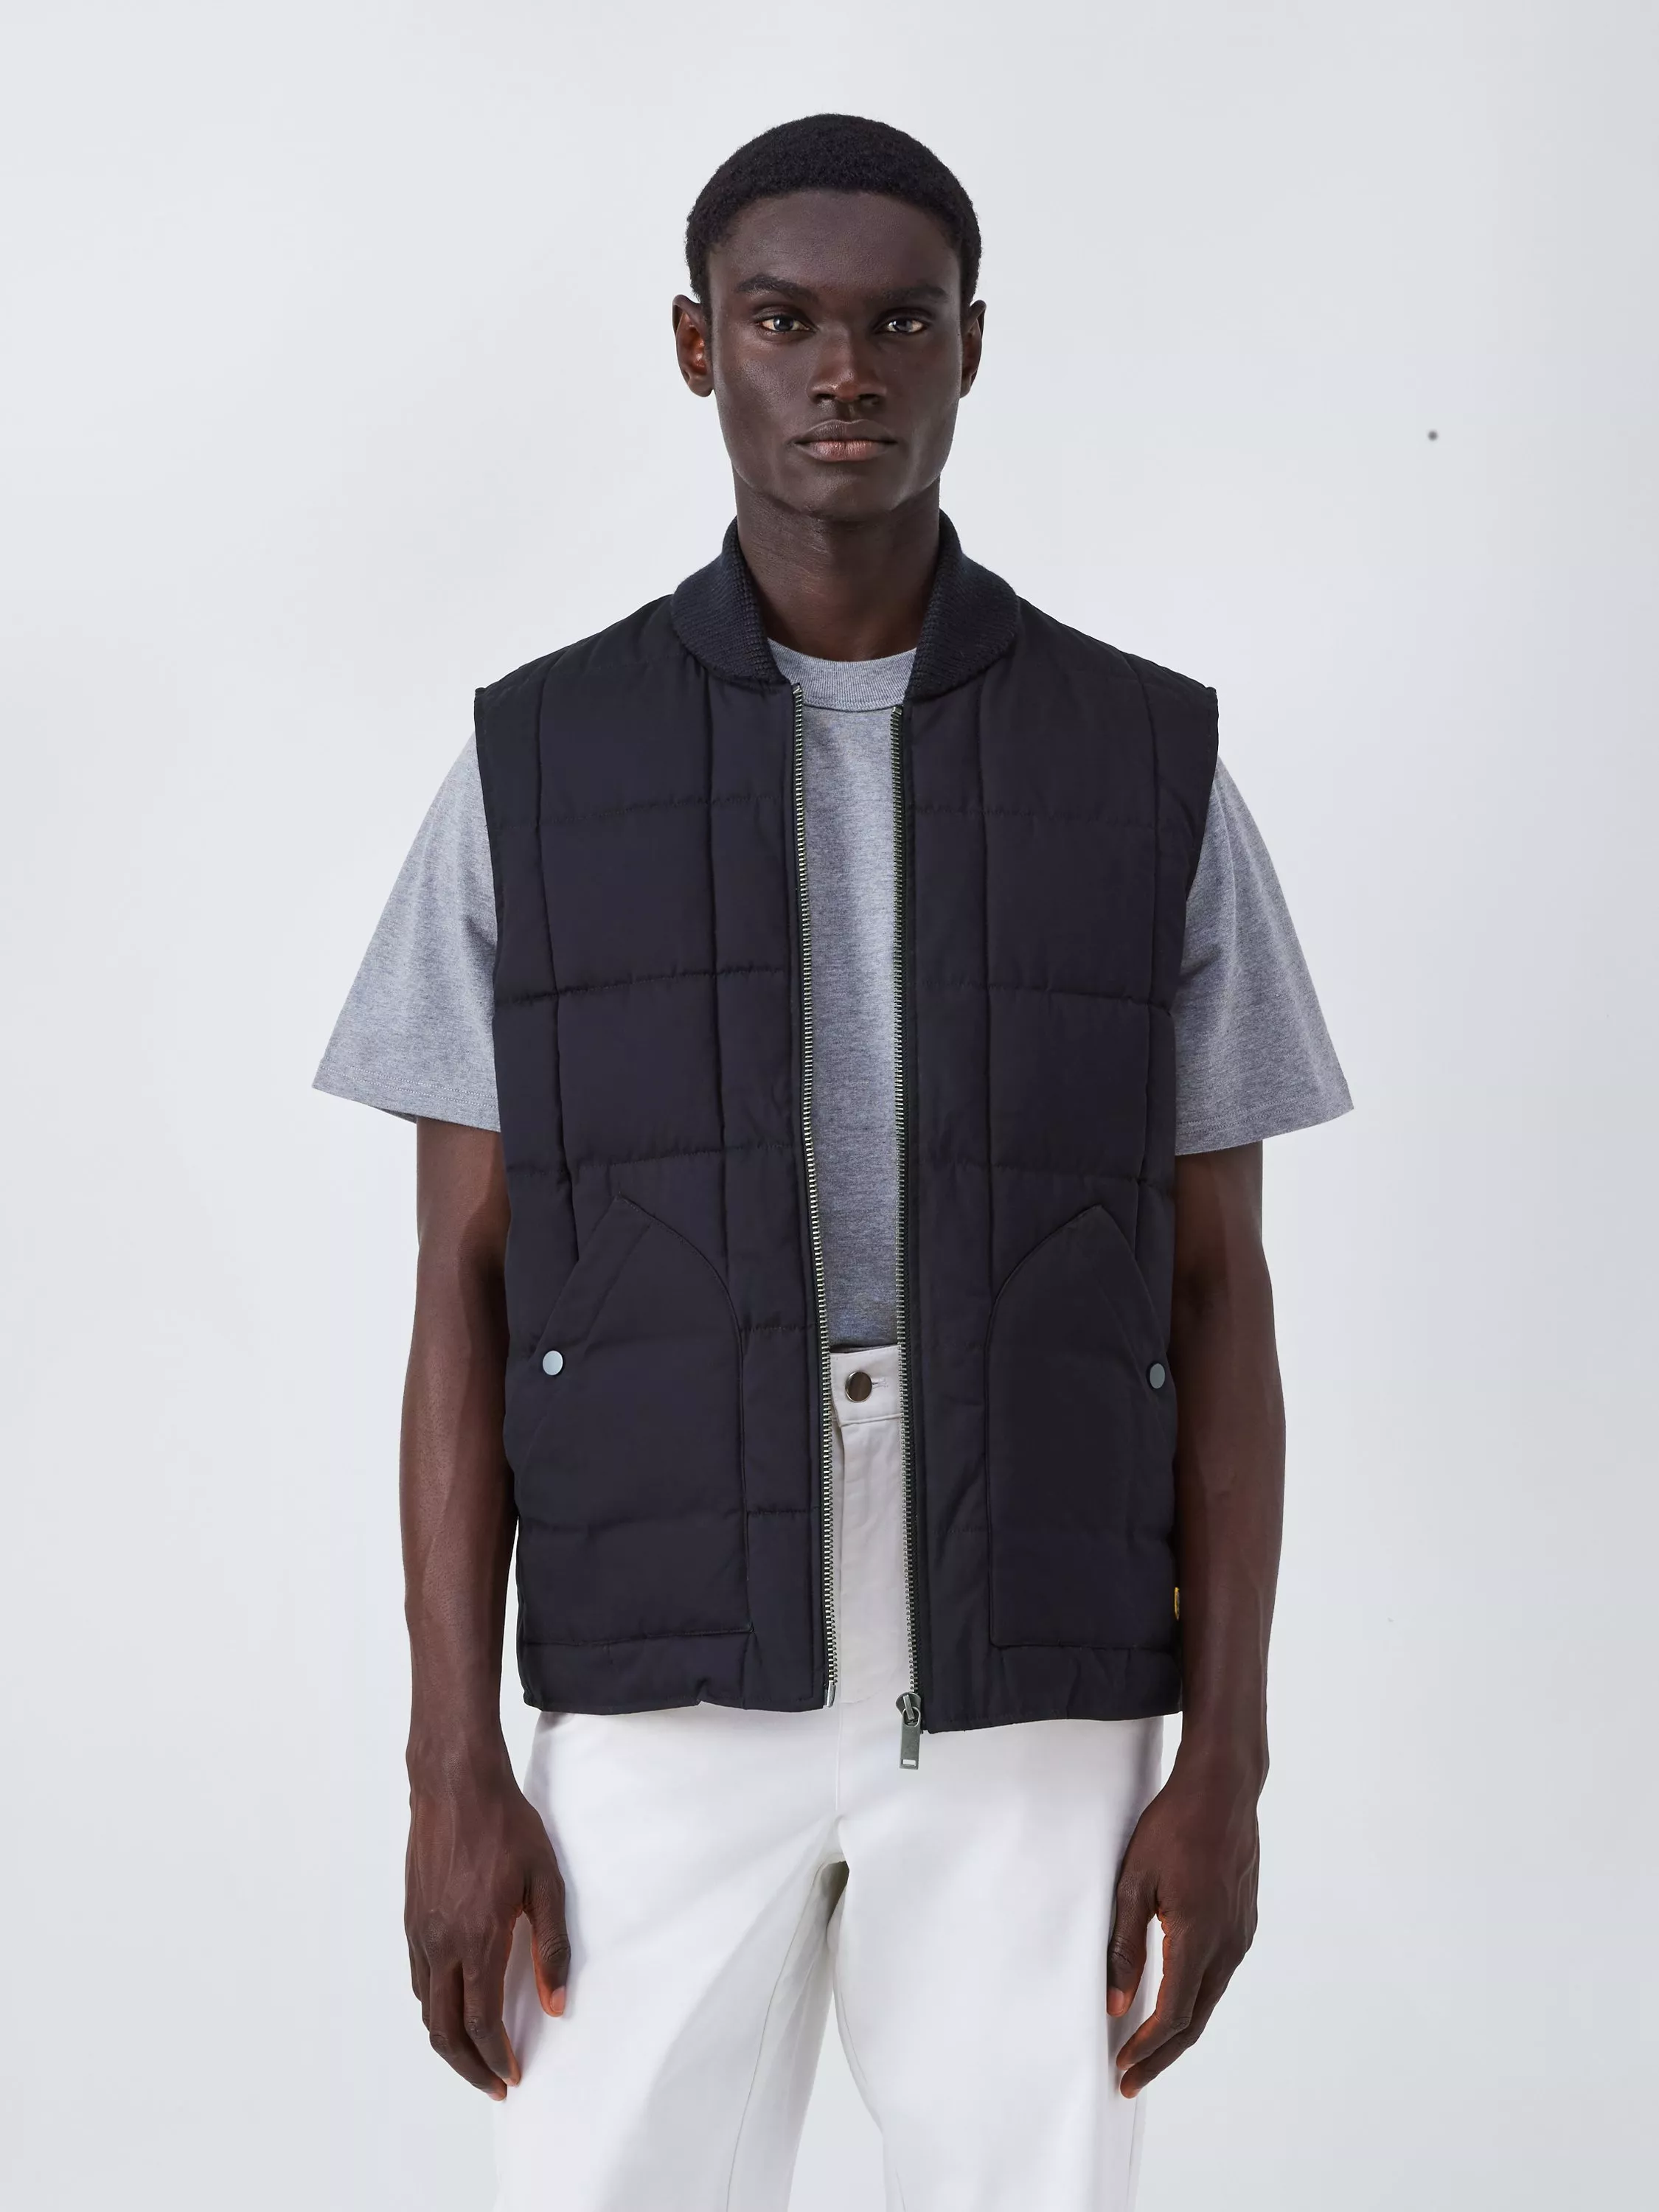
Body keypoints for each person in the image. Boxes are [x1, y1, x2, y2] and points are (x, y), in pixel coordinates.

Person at [316, 112, 1350, 2212]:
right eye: (785, 322)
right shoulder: (539, 765)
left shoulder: (1148, 764)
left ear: (974, 347)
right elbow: (462, 1294)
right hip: (657, 1637)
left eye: (899, 324)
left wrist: (1226, 1761)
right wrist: (452, 1766)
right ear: (699, 347)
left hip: (1036, 1644)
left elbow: (1219, 1293)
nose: (844, 373)